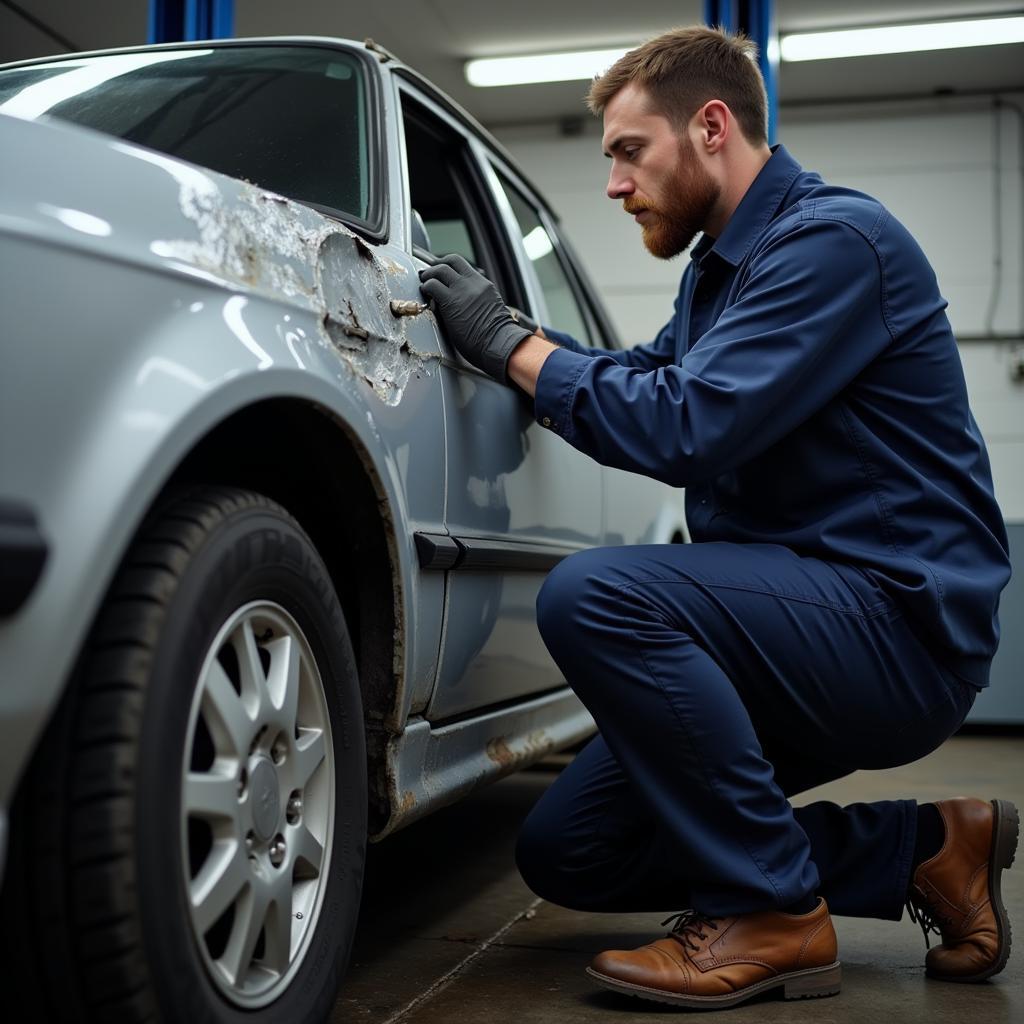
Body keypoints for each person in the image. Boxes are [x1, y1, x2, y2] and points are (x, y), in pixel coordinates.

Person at [419, 26, 1014, 1011]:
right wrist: (512, 344)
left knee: (597, 595)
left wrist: (513, 347)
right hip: (799, 627)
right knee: (570, 849)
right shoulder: (719, 273)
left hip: (894, 629)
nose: (613, 182)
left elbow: (687, 423)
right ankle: (926, 849)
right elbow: (650, 375)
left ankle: (772, 910)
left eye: (627, 149)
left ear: (709, 126)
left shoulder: (832, 242)